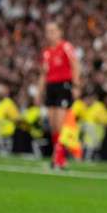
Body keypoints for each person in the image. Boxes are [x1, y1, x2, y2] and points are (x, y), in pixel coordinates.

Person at [37, 21, 80, 169]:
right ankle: (58, 157)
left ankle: (59, 158)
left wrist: (76, 85)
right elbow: (43, 74)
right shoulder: (47, 52)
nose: (50, 34)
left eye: (53, 31)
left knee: (61, 124)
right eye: (48, 31)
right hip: (51, 87)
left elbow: (75, 65)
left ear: (60, 32)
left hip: (63, 85)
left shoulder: (65, 47)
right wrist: (39, 91)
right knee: (53, 125)